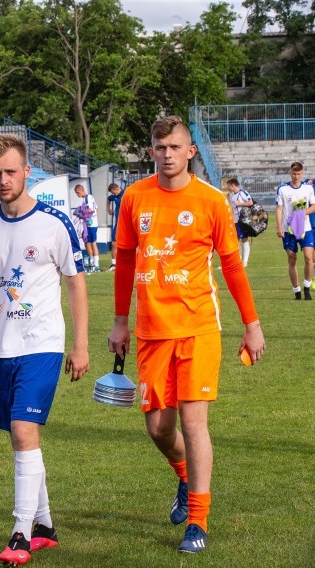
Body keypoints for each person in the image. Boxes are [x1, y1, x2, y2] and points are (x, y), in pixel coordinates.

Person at [107, 116, 266, 554]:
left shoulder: (212, 201)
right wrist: (120, 320)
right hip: (151, 331)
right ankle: (182, 475)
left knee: (194, 424)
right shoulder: (135, 197)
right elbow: (123, 261)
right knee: (158, 427)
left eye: (175, 146)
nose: (168, 154)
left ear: (190, 150)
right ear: (152, 151)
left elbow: (231, 266)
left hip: (198, 327)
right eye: (160, 147)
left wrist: (251, 326)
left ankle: (198, 520)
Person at [0, 134, 89, 566]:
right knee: (20, 438)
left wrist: (80, 344)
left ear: (27, 172)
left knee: (25, 431)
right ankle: (44, 525)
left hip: (42, 344)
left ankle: (20, 534)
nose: (4, 180)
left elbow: (76, 285)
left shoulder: (54, 224)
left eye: (11, 171)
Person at [274, 162, 315, 300]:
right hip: (288, 230)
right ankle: (296, 290)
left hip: (306, 229)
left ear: (302, 173)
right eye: (293, 173)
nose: (296, 176)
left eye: (298, 173)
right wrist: (279, 226)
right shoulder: (283, 189)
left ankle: (307, 287)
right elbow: (279, 209)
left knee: (309, 257)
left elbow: (314, 206)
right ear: (290, 173)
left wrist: (302, 213)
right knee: (292, 258)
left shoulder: (308, 188)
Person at [227, 178, 254, 267]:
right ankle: (237, 260)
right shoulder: (232, 195)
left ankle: (244, 261)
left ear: (233, 185)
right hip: (234, 221)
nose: (228, 188)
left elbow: (250, 202)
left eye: (229, 186)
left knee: (244, 239)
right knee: (235, 240)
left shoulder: (242, 193)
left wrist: (240, 203)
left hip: (242, 220)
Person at [73, 184, 99, 272]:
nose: (77, 195)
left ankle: (93, 265)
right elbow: (96, 209)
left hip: (90, 225)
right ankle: (95, 265)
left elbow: (90, 210)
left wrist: (80, 212)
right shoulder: (90, 198)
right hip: (92, 224)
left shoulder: (87, 198)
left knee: (89, 244)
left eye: (77, 193)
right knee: (91, 243)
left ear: (80, 190)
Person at [106, 183, 124, 271]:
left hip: (126, 223)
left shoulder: (125, 193)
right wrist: (108, 209)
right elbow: (108, 199)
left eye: (113, 192)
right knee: (114, 243)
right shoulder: (114, 197)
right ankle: (114, 264)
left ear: (116, 189)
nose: (113, 194)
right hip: (117, 223)